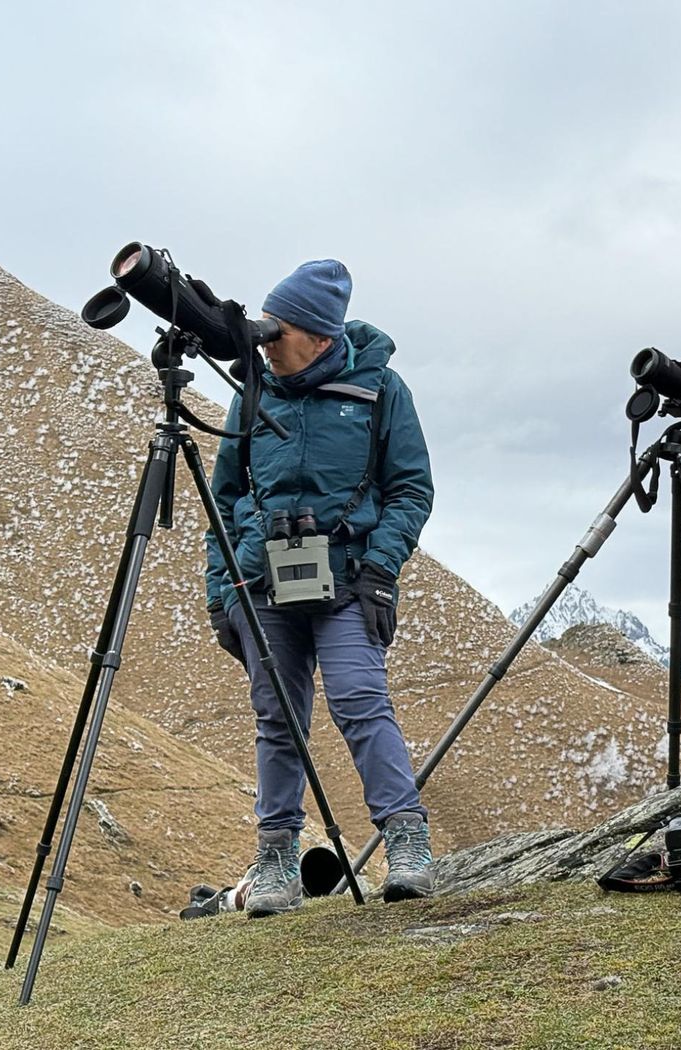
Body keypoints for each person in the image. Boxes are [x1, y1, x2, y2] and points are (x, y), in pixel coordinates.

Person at [204, 259, 436, 915]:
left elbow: (411, 490)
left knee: (361, 697)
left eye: (279, 332)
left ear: (318, 334)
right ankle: (275, 861)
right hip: (260, 583)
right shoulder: (252, 392)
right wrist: (222, 587)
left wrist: (380, 569)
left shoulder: (380, 389)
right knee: (277, 719)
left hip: (349, 580)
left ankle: (407, 843)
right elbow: (224, 499)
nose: (267, 343)